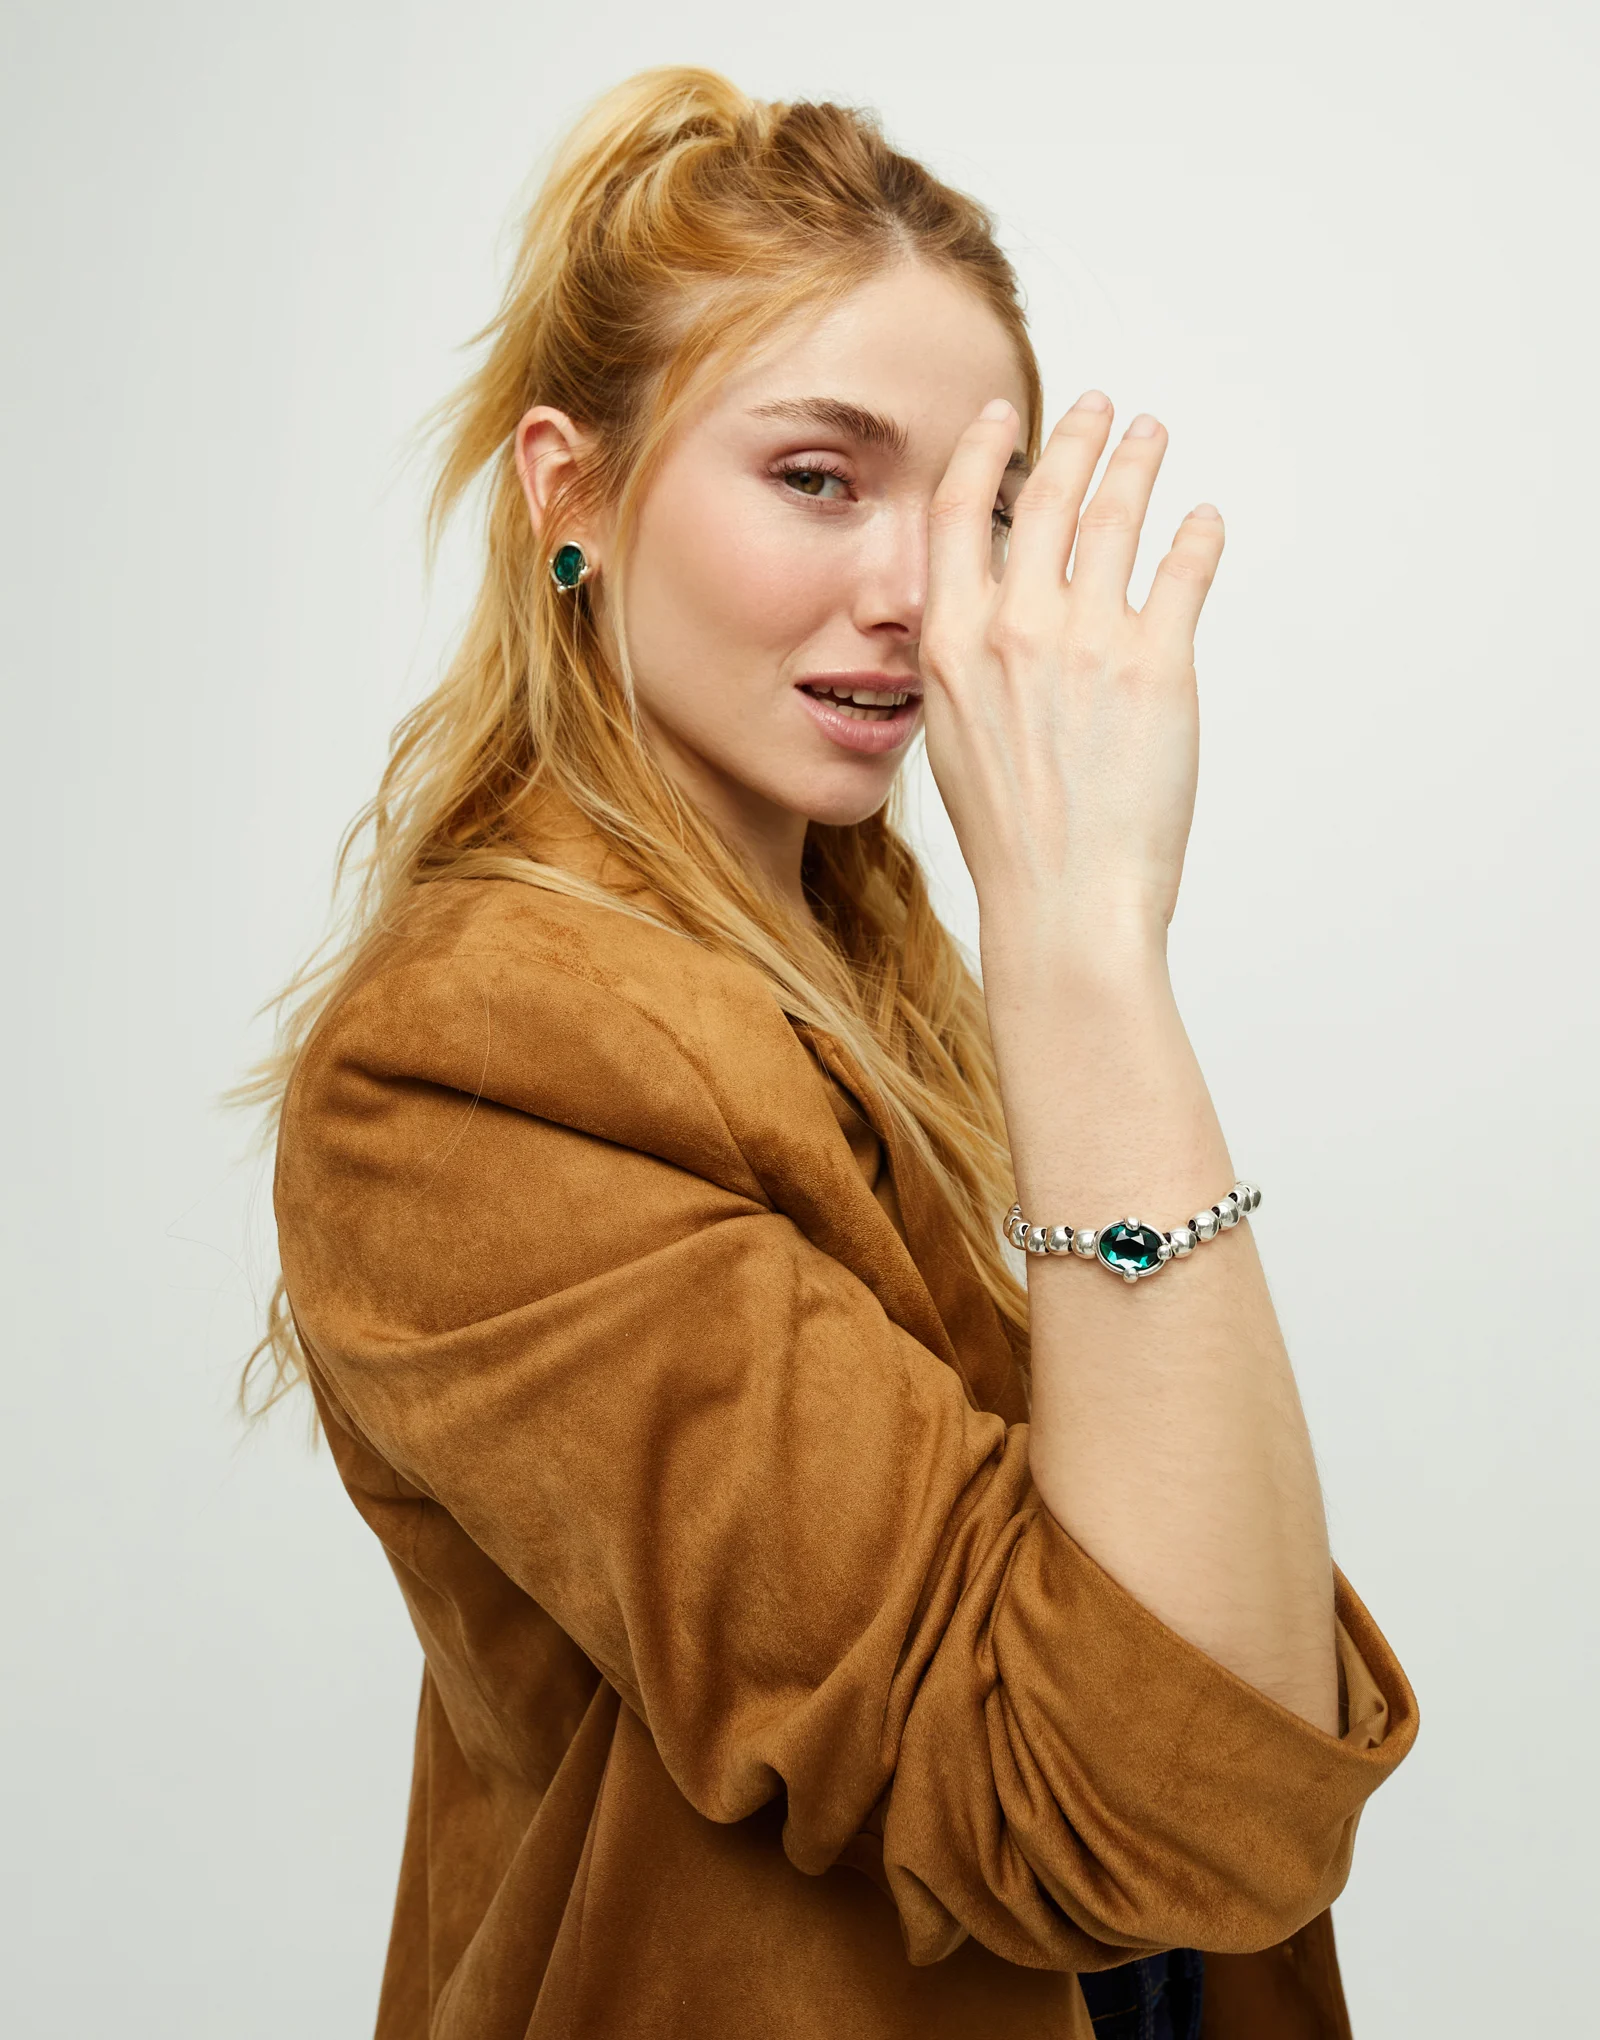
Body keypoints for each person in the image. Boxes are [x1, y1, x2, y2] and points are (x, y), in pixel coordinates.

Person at [249, 65, 1417, 2040]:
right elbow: (1159, 1801)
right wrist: (1083, 942)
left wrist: (1056, 962)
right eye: (817, 476)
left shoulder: (877, 989)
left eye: (973, 505)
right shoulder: (461, 1065)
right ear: (574, 496)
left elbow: (1211, 1680)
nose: (910, 592)